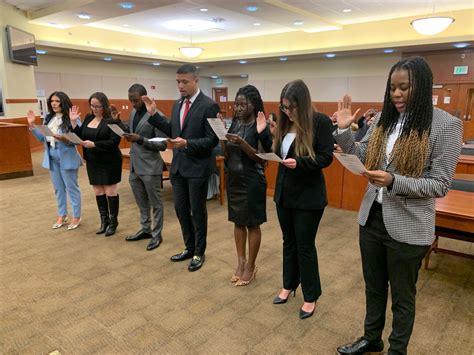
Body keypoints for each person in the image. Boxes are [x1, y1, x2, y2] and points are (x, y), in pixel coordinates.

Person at [334, 56, 463, 355]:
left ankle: (397, 350)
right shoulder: (383, 119)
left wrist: (394, 180)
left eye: (404, 87)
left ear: (421, 86)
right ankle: (371, 338)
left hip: (408, 224)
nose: (396, 94)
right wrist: (345, 130)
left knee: (403, 296)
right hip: (372, 217)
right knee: (374, 286)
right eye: (392, 87)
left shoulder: (445, 125)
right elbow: (364, 155)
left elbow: (440, 184)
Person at [145, 64, 220, 272]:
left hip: (198, 167)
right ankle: (188, 247)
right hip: (178, 167)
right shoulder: (178, 104)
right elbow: (173, 130)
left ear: (196, 80)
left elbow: (212, 140)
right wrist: (154, 115)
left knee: (197, 211)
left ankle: (199, 251)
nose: (180, 85)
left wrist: (187, 144)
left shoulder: (209, 105)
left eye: (184, 82)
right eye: (178, 81)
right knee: (180, 210)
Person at [272, 80, 334, 319]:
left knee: (305, 246)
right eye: (284, 107)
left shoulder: (319, 122)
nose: (287, 112)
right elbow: (277, 152)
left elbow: (326, 157)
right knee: (288, 242)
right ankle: (289, 285)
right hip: (284, 194)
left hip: (308, 197)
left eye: (291, 107)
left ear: (303, 104)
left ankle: (311, 295)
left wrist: (301, 163)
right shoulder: (284, 122)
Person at [225, 85, 272, 286]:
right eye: (236, 104)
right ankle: (241, 261)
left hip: (253, 180)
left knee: (252, 224)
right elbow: (226, 151)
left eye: (243, 104)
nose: (238, 108)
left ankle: (251, 265)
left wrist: (242, 143)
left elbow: (262, 159)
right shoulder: (234, 124)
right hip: (234, 180)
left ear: (253, 105)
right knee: (237, 222)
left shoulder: (260, 125)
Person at [26, 91, 82, 230]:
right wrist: (32, 125)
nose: (54, 104)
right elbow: (42, 139)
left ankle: (76, 216)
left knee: (71, 188)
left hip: (67, 156)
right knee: (58, 189)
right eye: (52, 101)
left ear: (63, 102)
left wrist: (68, 131)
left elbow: (77, 141)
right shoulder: (48, 118)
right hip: (51, 156)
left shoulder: (72, 118)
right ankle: (62, 215)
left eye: (57, 101)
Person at [122, 83, 168, 251]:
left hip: (150, 166)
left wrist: (140, 139)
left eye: (135, 100)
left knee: (156, 203)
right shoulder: (133, 112)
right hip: (134, 166)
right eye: (130, 100)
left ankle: (157, 234)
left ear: (143, 97)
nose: (133, 104)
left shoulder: (156, 115)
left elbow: (163, 145)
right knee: (141, 202)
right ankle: (146, 229)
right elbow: (132, 131)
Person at [71, 92, 122, 236]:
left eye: (97, 106)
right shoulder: (88, 118)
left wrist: (95, 144)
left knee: (110, 191)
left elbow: (113, 142)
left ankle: (113, 222)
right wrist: (74, 122)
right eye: (92, 106)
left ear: (104, 105)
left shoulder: (111, 120)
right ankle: (104, 221)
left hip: (109, 160)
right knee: (98, 191)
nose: (94, 109)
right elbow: (80, 135)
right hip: (93, 160)